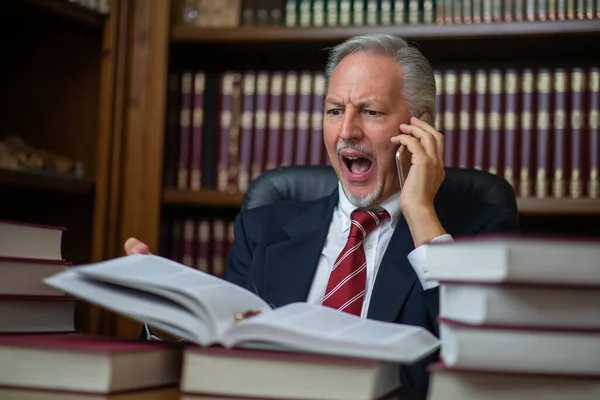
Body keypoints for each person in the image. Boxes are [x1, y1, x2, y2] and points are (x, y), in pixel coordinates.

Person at [125, 34, 519, 389]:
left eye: (371, 111)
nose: (346, 130)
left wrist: (419, 213)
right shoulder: (263, 229)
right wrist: (170, 321)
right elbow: (223, 358)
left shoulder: (477, 231)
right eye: (334, 111)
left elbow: (479, 362)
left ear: (420, 129)